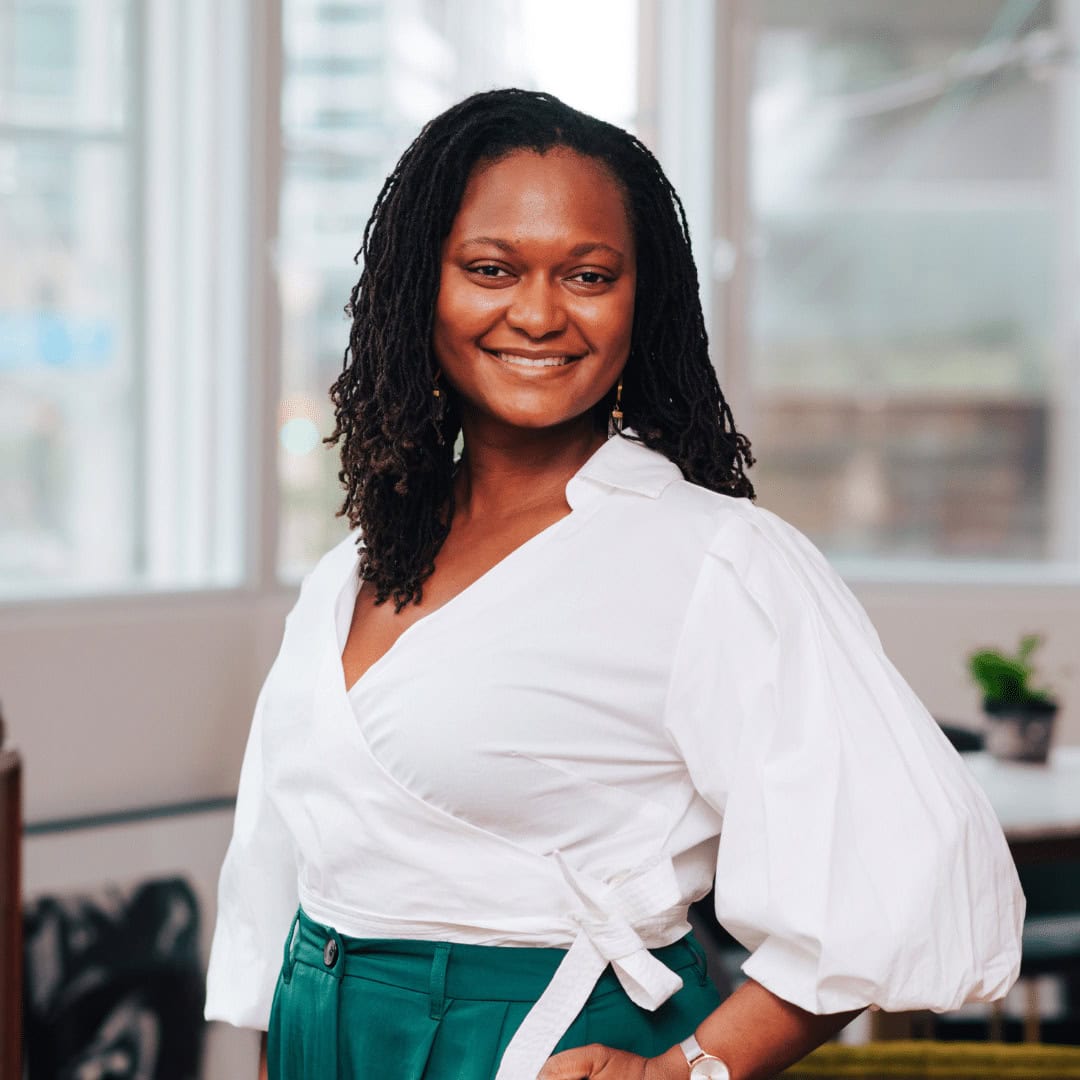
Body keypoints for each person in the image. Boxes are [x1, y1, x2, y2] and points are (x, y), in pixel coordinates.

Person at [204, 88, 1024, 1080]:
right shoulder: (359, 562)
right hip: (317, 1029)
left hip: (534, 1039)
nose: (540, 313)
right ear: (423, 284)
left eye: (587, 274)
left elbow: (902, 870)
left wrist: (688, 1069)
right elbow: (287, 855)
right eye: (491, 268)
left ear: (646, 300)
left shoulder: (712, 560)